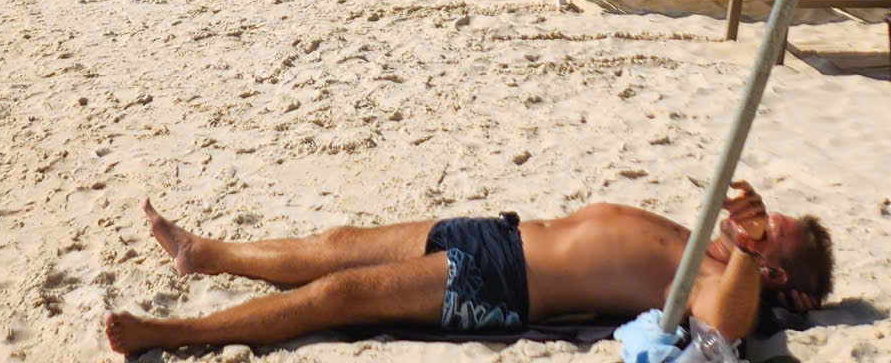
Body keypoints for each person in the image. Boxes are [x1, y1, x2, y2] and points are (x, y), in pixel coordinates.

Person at [104, 186, 827, 356]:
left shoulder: (727, 290)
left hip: (507, 284)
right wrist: (746, 242)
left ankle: (172, 334)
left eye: (775, 235)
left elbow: (721, 332)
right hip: (499, 237)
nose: (763, 226)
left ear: (777, 277)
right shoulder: (715, 251)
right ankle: (206, 255)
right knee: (338, 243)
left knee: (343, 296)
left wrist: (751, 256)